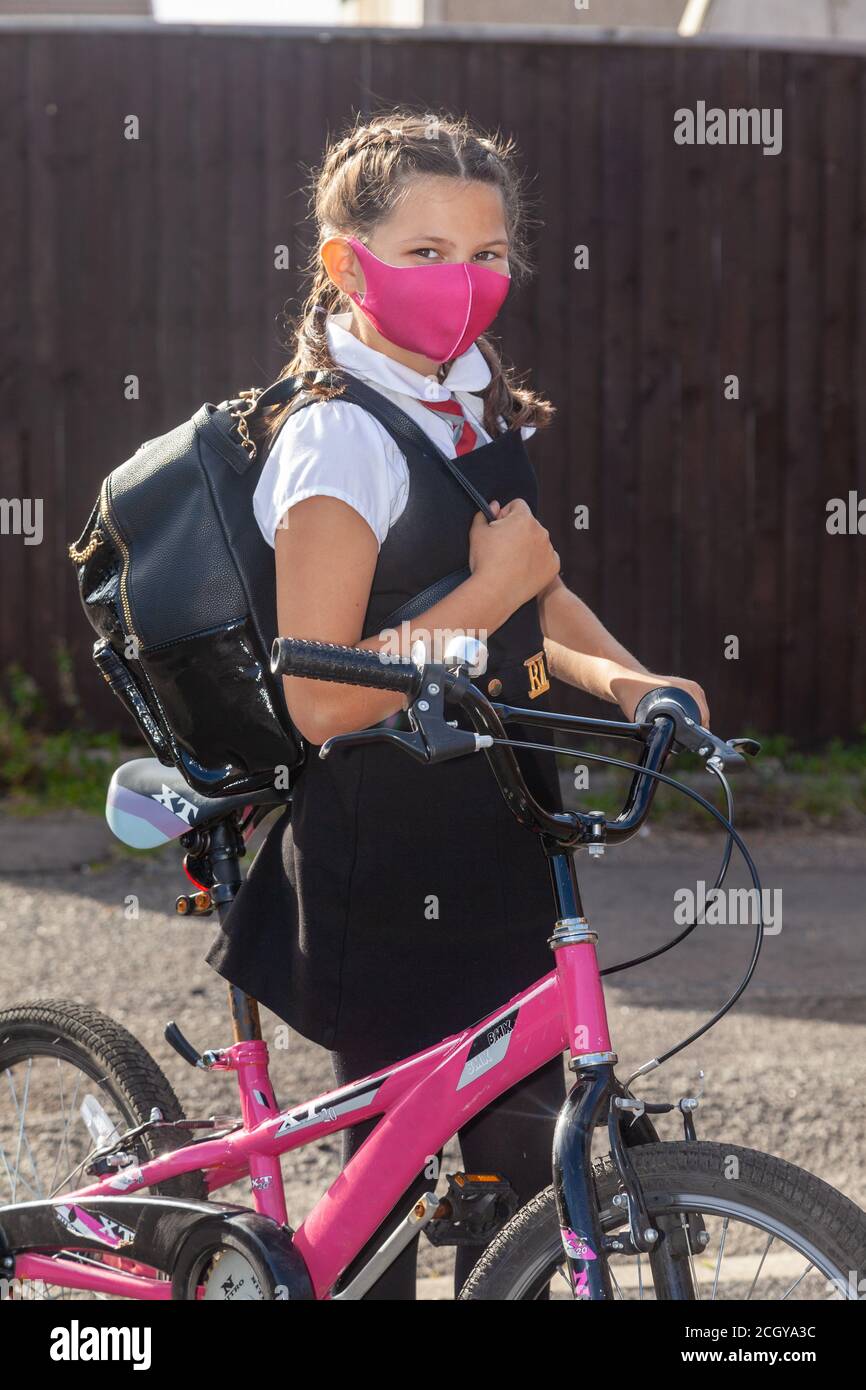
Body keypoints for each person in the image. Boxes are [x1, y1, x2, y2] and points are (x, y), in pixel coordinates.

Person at [206, 108, 709, 1299]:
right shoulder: (338, 438)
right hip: (383, 869)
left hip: (497, 838)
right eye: (425, 254)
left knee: (524, 1186)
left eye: (486, 255)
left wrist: (631, 679)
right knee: (375, 1227)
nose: (464, 283)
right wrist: (488, 591)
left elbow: (532, 589)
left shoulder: (466, 396)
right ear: (345, 263)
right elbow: (323, 692)